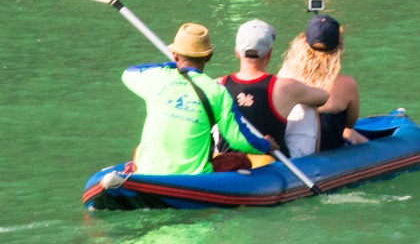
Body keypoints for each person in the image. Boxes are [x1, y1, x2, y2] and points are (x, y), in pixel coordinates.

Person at [120, 23, 273, 175]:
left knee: (138, 151)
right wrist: (266, 145)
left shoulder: (156, 78)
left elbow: (130, 72)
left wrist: (172, 64)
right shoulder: (218, 91)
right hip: (194, 175)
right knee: (241, 160)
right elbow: (239, 140)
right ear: (209, 56)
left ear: (175, 55)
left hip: (149, 171)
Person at [220, 20, 328, 155]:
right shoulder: (285, 87)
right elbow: (323, 97)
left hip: (227, 164)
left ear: (236, 52)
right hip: (271, 165)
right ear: (269, 53)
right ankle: (315, 162)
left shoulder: (218, 85)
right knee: (308, 106)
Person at [278, 14, 363, 157]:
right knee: (353, 135)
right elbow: (349, 124)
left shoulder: (285, 75)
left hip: (291, 151)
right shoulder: (347, 84)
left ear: (303, 42)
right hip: (328, 154)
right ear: (339, 48)